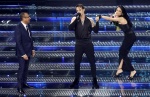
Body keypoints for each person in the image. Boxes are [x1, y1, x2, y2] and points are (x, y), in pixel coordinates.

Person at [99, 5, 136, 80]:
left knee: (123, 53)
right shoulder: (118, 18)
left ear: (122, 13)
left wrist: (101, 16)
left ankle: (132, 70)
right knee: (122, 52)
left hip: (130, 37)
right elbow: (114, 22)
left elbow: (109, 18)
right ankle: (120, 69)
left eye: (119, 11)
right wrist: (114, 16)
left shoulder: (121, 18)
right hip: (129, 36)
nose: (117, 11)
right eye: (117, 10)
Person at [69, 4, 100, 89]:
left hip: (88, 43)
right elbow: (70, 28)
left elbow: (96, 31)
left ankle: (94, 80)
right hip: (79, 43)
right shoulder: (74, 19)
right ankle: (76, 79)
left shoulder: (90, 20)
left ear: (83, 10)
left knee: (92, 62)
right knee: (76, 62)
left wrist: (97, 21)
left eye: (79, 10)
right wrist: (76, 19)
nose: (78, 11)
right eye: (77, 10)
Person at [14, 12, 35, 94]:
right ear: (23, 18)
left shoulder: (28, 26)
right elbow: (18, 42)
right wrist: (23, 54)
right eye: (28, 17)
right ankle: (19, 87)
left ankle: (24, 83)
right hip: (22, 53)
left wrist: (32, 49)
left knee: (26, 69)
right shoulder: (18, 27)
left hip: (28, 51)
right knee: (21, 69)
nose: (29, 18)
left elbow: (30, 38)